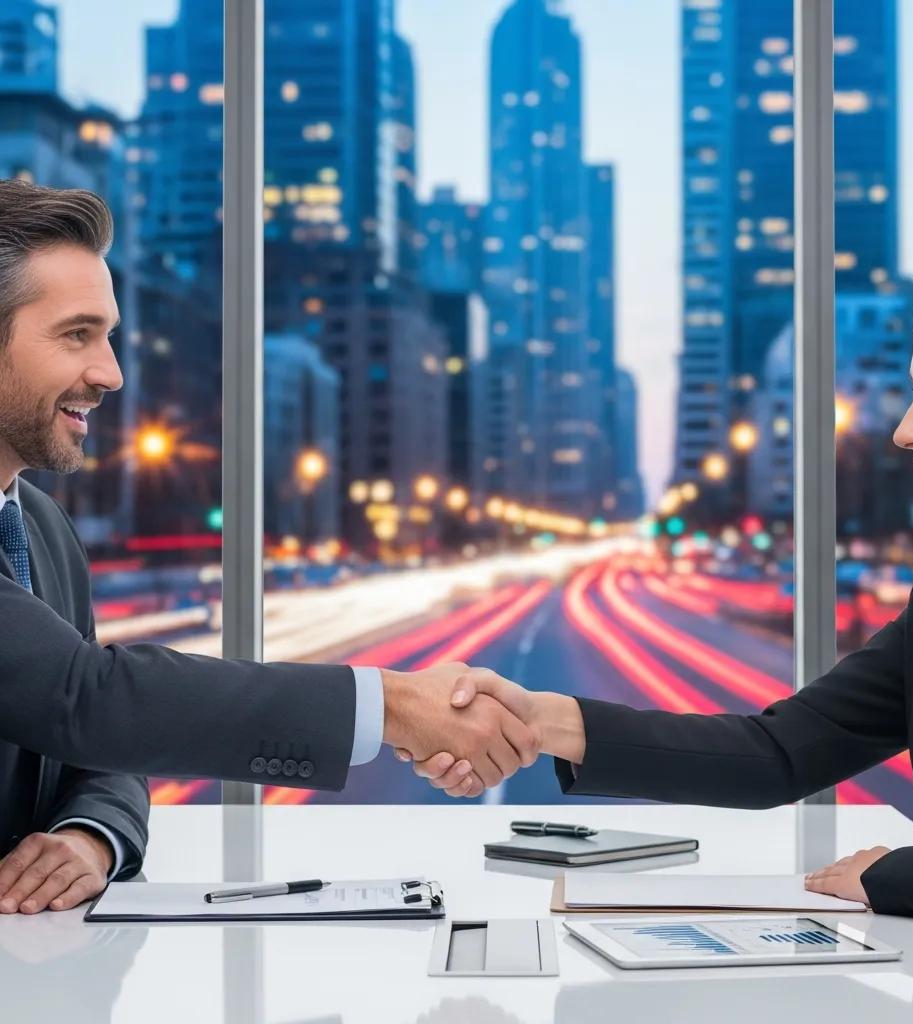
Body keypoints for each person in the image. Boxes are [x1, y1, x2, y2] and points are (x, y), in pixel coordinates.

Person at [404, 252, 913, 936]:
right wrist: (537, 719)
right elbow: (781, 752)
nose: (906, 429)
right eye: (912, 394)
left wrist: (896, 876)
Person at [0, 179, 539, 916]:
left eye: (110, 335)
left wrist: (91, 836)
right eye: (76, 335)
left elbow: (106, 747)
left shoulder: (42, 529)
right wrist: (394, 705)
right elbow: (85, 695)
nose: (111, 373)